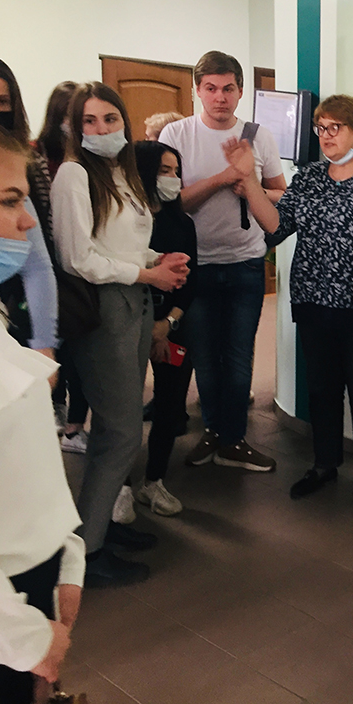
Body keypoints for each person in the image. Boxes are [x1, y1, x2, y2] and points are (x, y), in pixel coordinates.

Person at [233, 94, 353, 511]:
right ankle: (324, 465)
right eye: (320, 128)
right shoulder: (310, 177)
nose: (326, 135)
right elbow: (277, 227)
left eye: (335, 127)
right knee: (321, 389)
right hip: (313, 300)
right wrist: (248, 182)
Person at [51, 82, 190, 587]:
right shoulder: (73, 174)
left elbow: (121, 244)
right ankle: (86, 553)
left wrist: (158, 260)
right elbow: (78, 258)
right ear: (75, 127)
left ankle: (101, 525)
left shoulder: (123, 172)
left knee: (118, 428)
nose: (102, 129)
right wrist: (147, 273)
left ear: (124, 123)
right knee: (122, 430)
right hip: (105, 308)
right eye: (89, 121)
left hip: (135, 299)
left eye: (110, 119)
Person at [0, 115, 84, 704]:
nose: (26, 220)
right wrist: (24, 639)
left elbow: (20, 460)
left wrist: (66, 554)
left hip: (25, 583)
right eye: (8, 200)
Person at [158, 51, 285, 473]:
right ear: (197, 91)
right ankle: (214, 431)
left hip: (246, 263)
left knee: (238, 355)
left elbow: (281, 196)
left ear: (240, 91)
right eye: (210, 88)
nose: (220, 97)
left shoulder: (258, 136)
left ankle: (234, 439)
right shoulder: (176, 134)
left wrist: (249, 185)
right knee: (205, 358)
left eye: (228, 88)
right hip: (194, 266)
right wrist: (222, 179)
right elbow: (168, 202)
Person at [122, 140, 197, 518]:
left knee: (169, 406)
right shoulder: (123, 222)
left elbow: (192, 281)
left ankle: (154, 482)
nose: (172, 179)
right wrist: (146, 325)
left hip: (172, 325)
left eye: (176, 171)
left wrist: (167, 324)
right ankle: (120, 487)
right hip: (128, 323)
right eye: (164, 171)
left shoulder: (182, 223)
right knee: (123, 410)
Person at [0, 57, 59, 362]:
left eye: (2, 102)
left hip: (1, 303)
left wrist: (44, 343)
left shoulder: (22, 160)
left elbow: (37, 263)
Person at [36, 81, 91, 443]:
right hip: (46, 262)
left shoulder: (88, 160)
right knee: (55, 345)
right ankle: (55, 409)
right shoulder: (37, 156)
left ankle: (75, 425)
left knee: (79, 350)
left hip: (80, 267)